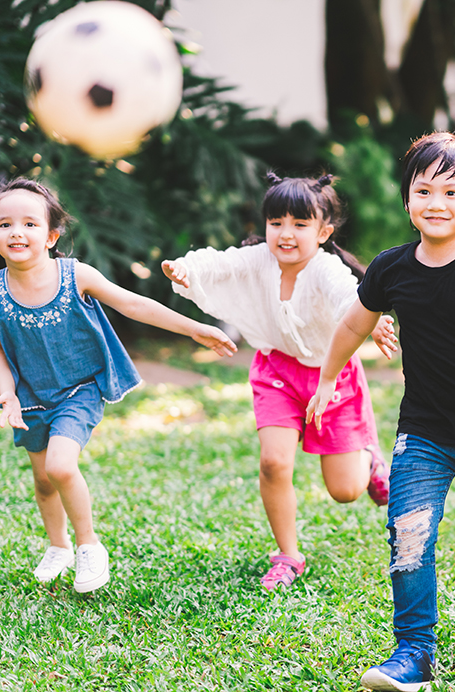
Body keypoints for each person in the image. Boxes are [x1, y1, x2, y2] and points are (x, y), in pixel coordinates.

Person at [307, 132, 455, 691]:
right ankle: (413, 651)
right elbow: (352, 325)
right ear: (407, 199)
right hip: (422, 433)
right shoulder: (391, 269)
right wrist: (325, 379)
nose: (435, 203)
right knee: (408, 531)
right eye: (423, 190)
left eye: (451, 191)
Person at [0, 177, 238, 593]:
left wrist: (193, 329)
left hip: (78, 389)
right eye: (5, 224)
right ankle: (58, 546)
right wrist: (7, 391)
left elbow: (133, 304)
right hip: (30, 396)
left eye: (30, 223)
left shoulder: (75, 274)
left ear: (51, 236)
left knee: (60, 466)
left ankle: (89, 546)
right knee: (43, 481)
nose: (17, 232)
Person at [162, 172, 396, 592]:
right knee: (273, 462)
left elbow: (350, 298)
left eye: (300, 224)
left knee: (345, 490)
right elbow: (219, 261)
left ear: (323, 232)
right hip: (275, 373)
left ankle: (371, 460)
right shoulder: (258, 261)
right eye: (276, 223)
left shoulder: (326, 269)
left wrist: (373, 322)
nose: (285, 234)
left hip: (331, 374)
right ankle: (288, 555)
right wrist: (185, 269)